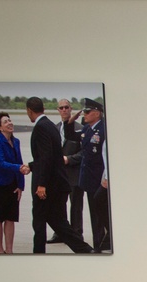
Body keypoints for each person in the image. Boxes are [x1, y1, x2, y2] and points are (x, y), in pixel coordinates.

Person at [24, 97, 91, 254]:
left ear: (29, 111)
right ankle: (84, 249)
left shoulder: (41, 127)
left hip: (47, 186)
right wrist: (31, 166)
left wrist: (41, 184)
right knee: (59, 223)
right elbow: (51, 158)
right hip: (57, 184)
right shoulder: (51, 126)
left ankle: (38, 253)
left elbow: (46, 157)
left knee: (40, 223)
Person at [0, 112, 29, 254]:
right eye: (6, 122)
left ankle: (9, 249)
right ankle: (0, 249)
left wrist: (21, 186)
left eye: (10, 120)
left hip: (13, 185)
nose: (10, 123)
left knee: (10, 218)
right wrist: (19, 168)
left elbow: (19, 162)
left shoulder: (16, 141)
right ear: (0, 127)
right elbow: (0, 163)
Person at [79, 97, 111, 252]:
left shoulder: (104, 130)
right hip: (88, 177)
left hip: (99, 177)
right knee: (93, 213)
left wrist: (106, 176)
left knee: (99, 213)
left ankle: (101, 244)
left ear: (97, 113)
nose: (84, 114)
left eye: (87, 111)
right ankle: (99, 243)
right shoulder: (87, 129)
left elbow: (105, 155)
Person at [48, 98, 84, 240]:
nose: (64, 110)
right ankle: (60, 232)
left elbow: (84, 152)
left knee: (76, 205)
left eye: (66, 107)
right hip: (59, 175)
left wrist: (69, 159)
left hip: (74, 172)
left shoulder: (79, 128)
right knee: (59, 205)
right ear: (57, 110)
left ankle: (76, 233)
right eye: (61, 108)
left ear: (71, 108)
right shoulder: (54, 129)